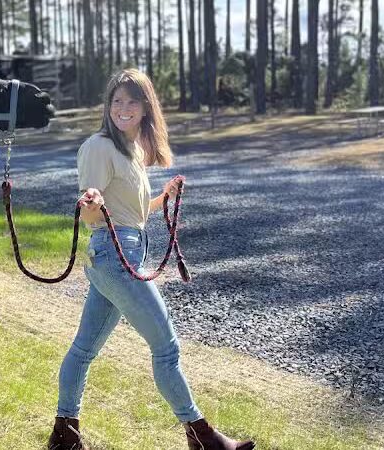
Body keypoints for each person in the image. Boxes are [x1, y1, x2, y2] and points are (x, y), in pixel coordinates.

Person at [47, 69, 255, 450]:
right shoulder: (98, 147)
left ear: (145, 108)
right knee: (166, 347)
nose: (123, 108)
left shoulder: (133, 151)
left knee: (83, 350)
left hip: (119, 253)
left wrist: (164, 196)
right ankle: (202, 436)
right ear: (107, 107)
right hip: (114, 255)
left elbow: (134, 211)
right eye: (116, 101)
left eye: (131, 101)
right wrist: (91, 204)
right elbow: (94, 215)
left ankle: (64, 437)